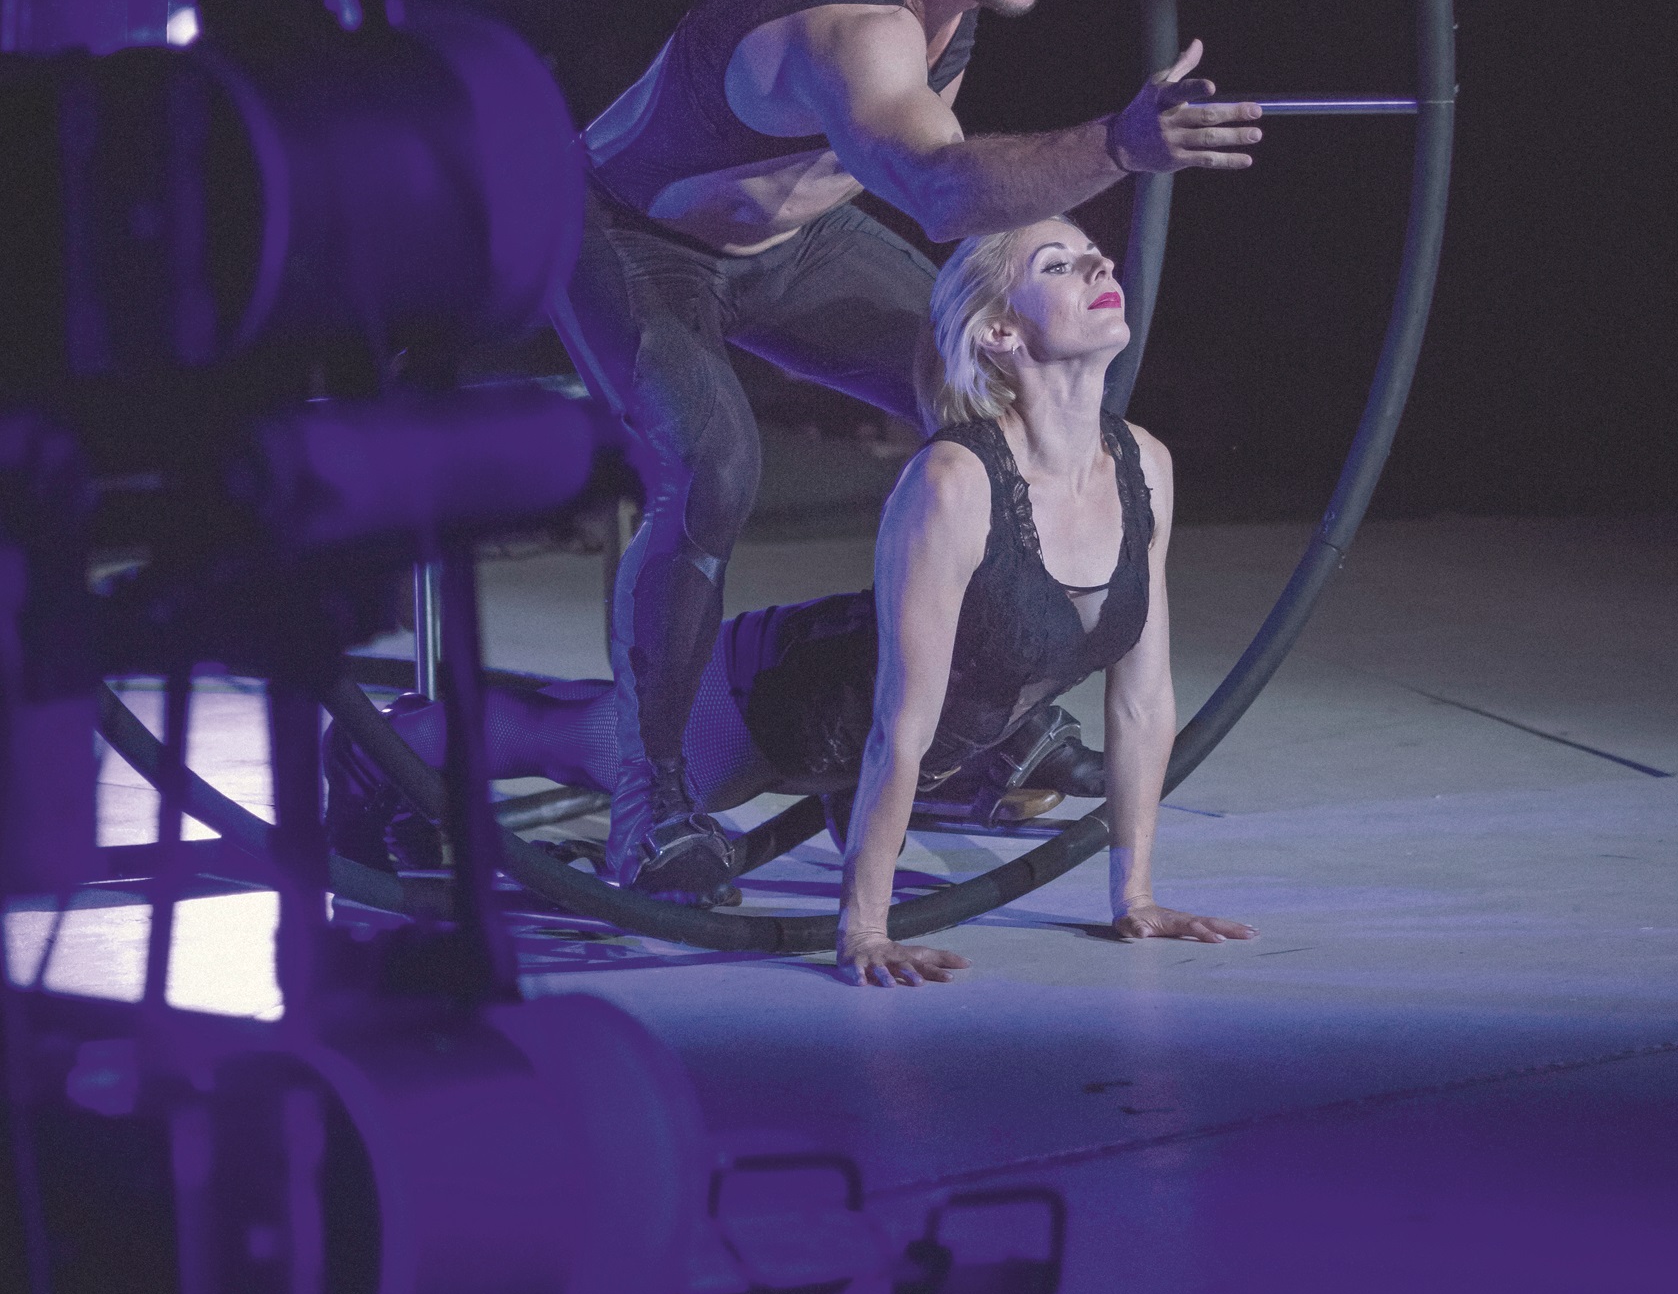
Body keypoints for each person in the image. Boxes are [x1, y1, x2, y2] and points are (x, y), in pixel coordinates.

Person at [552, 0, 1263, 905]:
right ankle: (653, 803)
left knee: (1022, 407)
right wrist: (1118, 146)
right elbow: (936, 189)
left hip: (794, 244)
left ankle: (970, 730)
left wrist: (1033, 316)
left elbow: (961, 211)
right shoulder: (848, 22)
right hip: (627, 238)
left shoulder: (949, 9)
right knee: (714, 465)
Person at [326, 218, 1255, 980]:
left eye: (1094, 251)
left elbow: (1142, 700)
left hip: (914, 722)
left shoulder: (1145, 463)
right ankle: (377, 748)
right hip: (778, 706)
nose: (1099, 265)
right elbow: (898, 724)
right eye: (1057, 263)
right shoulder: (954, 481)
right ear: (1000, 333)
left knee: (582, 723)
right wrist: (865, 928)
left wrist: (1135, 897)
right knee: (573, 739)